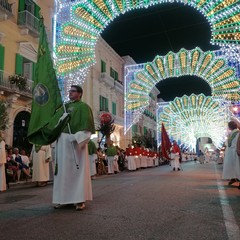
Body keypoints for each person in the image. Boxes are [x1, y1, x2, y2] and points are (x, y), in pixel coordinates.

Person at [53, 85, 95, 211]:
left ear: (80, 93)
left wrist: (76, 137)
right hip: (62, 142)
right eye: (69, 91)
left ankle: (78, 200)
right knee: (63, 172)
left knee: (77, 172)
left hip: (76, 143)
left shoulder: (84, 107)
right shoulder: (64, 107)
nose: (70, 93)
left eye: (73, 91)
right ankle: (63, 199)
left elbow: (87, 128)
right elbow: (55, 123)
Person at [222, 121, 240, 188]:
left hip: (235, 151)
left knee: (236, 165)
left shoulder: (237, 132)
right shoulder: (232, 133)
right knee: (233, 165)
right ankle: (233, 177)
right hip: (231, 151)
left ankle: (237, 178)